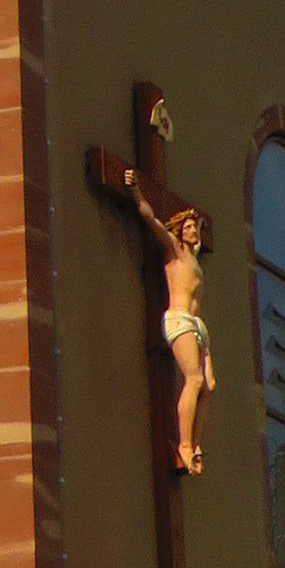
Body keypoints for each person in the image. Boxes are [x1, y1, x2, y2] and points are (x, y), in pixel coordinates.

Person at [121, 100, 212, 476]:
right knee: (192, 378)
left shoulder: (195, 262)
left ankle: (197, 439)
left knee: (209, 385)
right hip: (178, 320)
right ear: (180, 232)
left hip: (198, 326)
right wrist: (137, 192)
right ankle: (186, 443)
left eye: (196, 228)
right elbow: (149, 219)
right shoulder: (173, 252)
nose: (193, 231)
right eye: (189, 227)